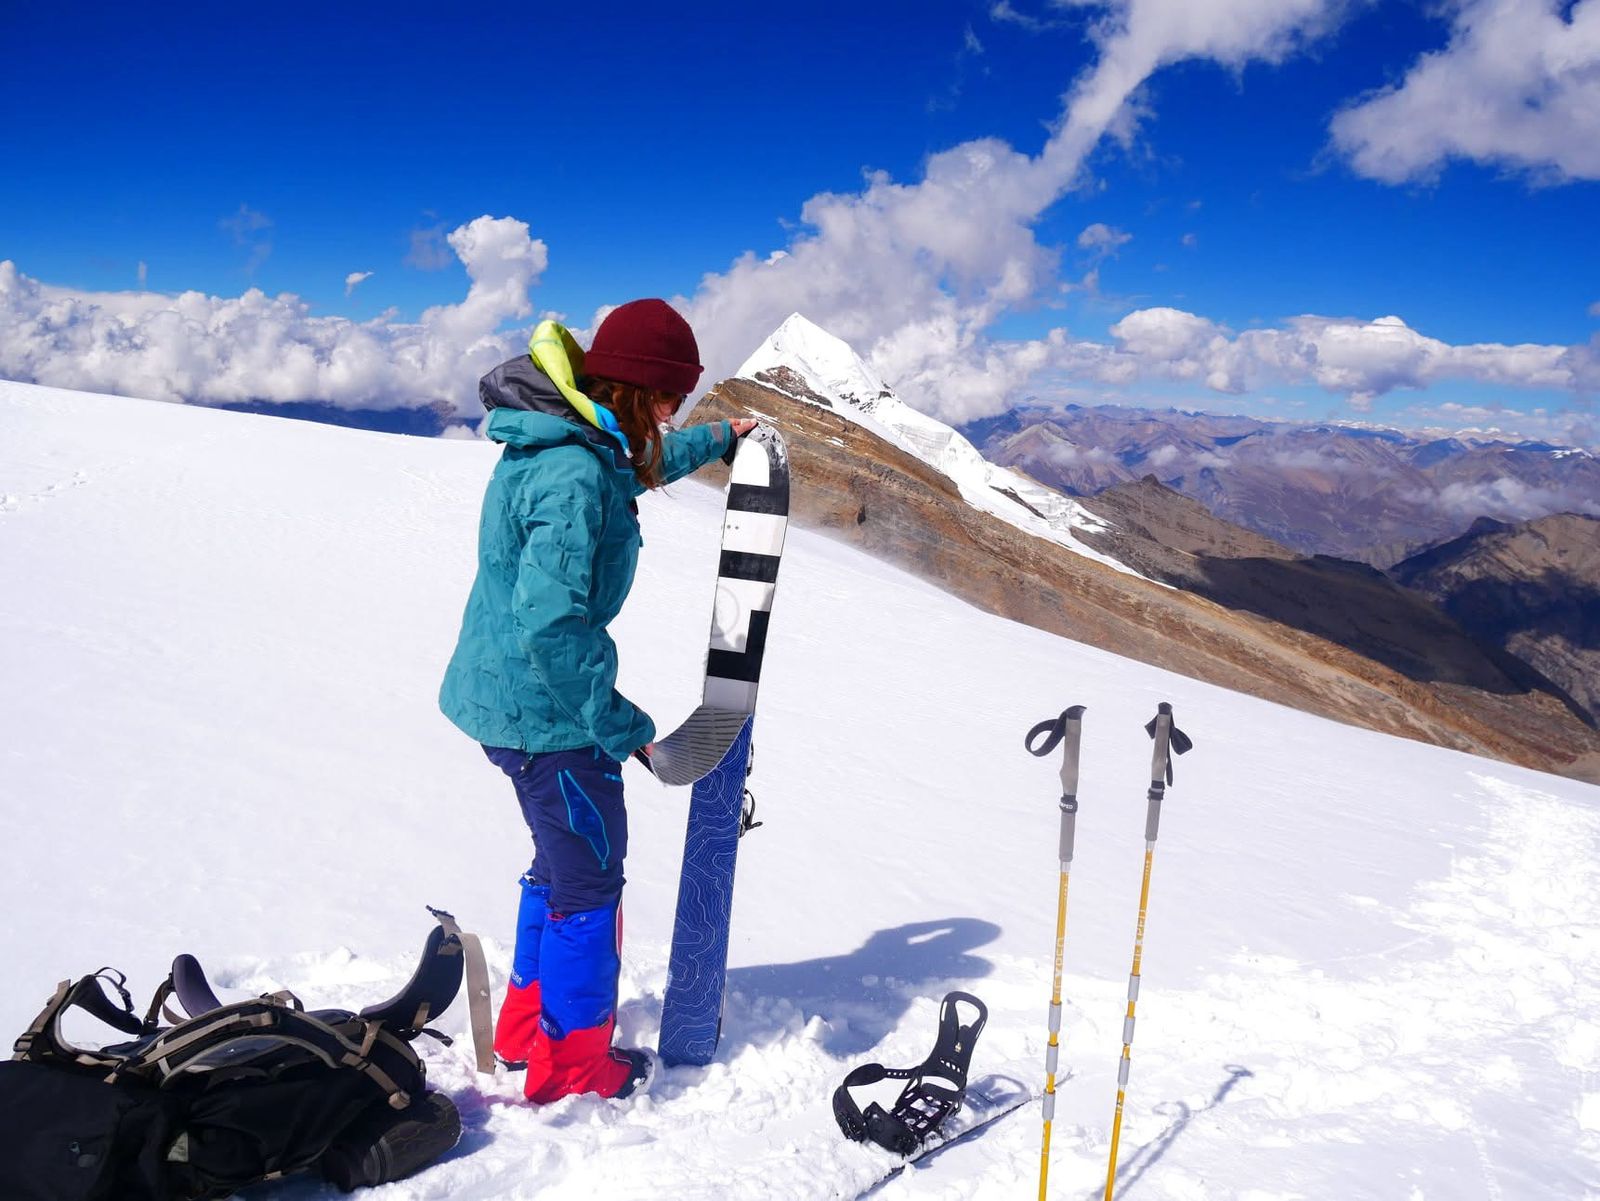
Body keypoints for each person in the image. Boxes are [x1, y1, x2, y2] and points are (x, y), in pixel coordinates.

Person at [438, 299, 756, 1102]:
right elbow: (551, 627)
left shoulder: (573, 434)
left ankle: (524, 1032)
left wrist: (721, 437)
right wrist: (627, 730)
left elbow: (640, 459)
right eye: (670, 398)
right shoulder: (575, 475)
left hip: (510, 700)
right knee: (589, 881)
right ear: (639, 391)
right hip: (548, 716)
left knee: (559, 865)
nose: (673, 413)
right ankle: (574, 1067)